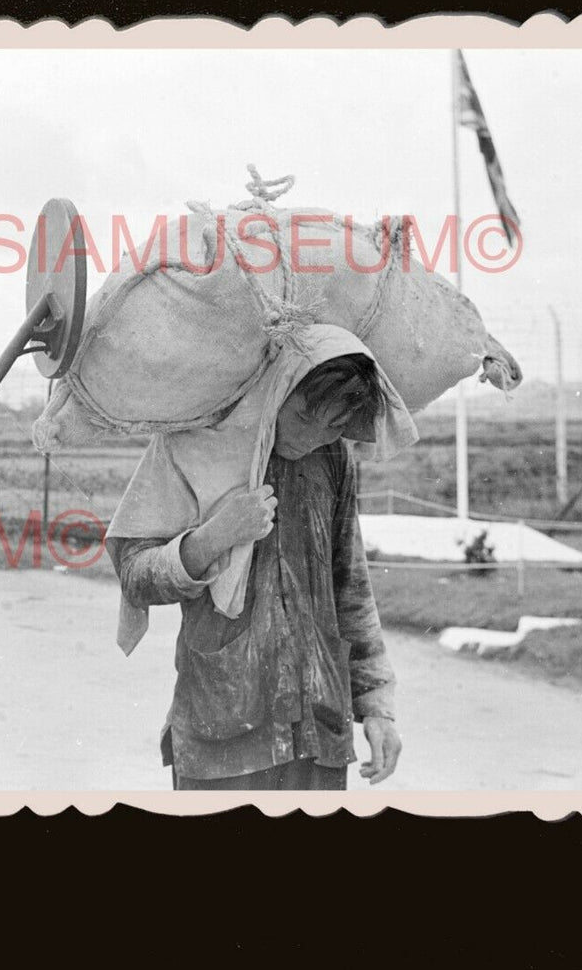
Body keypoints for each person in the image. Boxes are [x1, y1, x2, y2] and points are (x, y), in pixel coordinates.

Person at [106, 324, 415, 791]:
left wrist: (375, 706)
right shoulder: (197, 443)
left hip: (318, 729)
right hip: (222, 729)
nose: (313, 437)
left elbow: (349, 586)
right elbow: (134, 574)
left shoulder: (333, 458)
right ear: (279, 387)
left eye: (333, 425)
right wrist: (211, 539)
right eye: (305, 416)